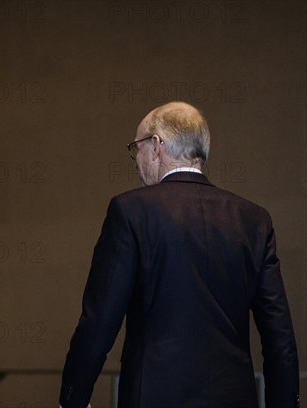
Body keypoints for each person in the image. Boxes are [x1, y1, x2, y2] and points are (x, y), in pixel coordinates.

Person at [59, 102, 299, 408]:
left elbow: (99, 321)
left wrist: (73, 398)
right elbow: (279, 335)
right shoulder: (253, 220)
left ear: (156, 145)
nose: (136, 160)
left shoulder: (131, 212)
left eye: (137, 148)